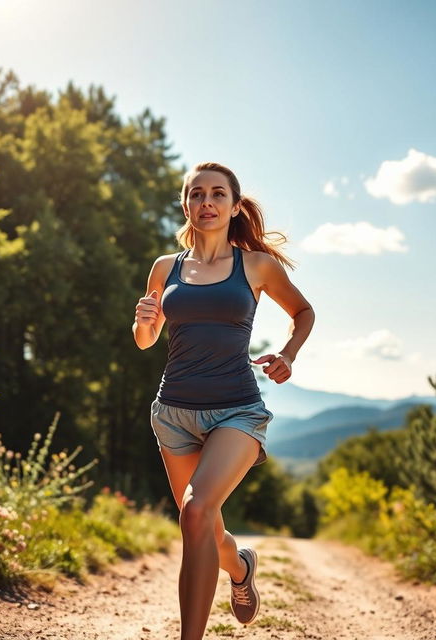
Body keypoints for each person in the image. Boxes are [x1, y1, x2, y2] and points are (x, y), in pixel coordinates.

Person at [132, 161, 315, 640]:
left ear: (234, 206)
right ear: (185, 203)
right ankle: (240, 568)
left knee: (194, 512)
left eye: (217, 194)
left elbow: (303, 311)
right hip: (173, 413)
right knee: (207, 528)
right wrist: (146, 318)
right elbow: (144, 340)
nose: (206, 203)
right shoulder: (163, 268)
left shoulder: (254, 265)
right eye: (196, 194)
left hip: (237, 409)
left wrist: (289, 354)